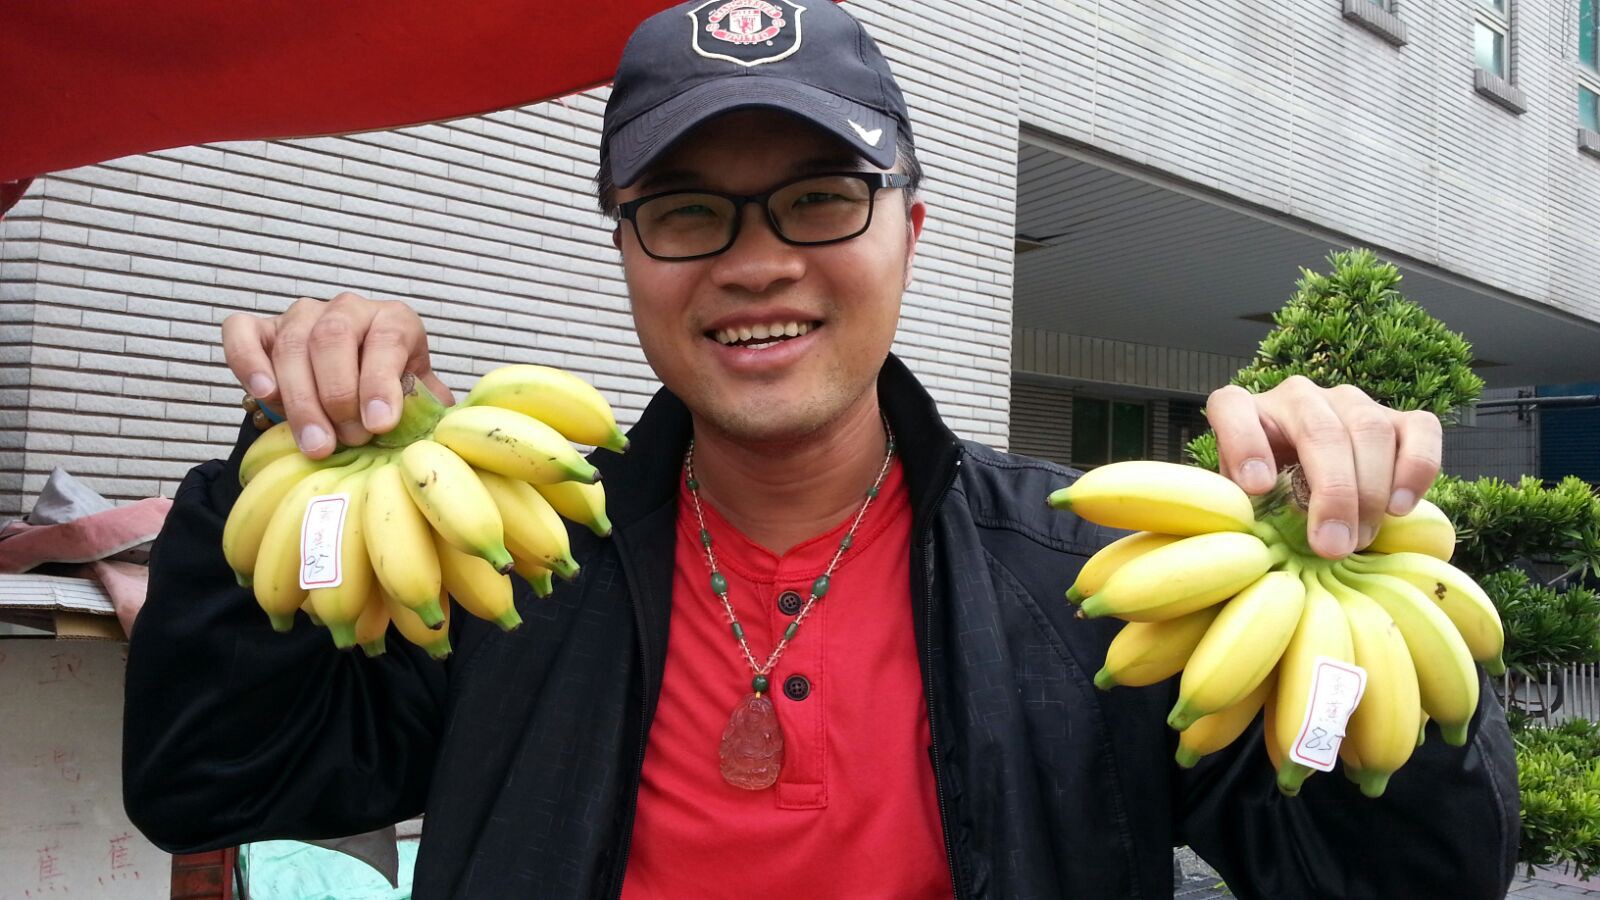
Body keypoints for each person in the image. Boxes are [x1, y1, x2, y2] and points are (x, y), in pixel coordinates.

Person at [122, 2, 1518, 897]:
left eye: (819, 198)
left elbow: (1399, 879)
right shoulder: (512, 563)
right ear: (627, 252)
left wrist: (1362, 566)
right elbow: (216, 780)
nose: (756, 262)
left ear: (911, 230)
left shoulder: (1104, 577)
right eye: (686, 211)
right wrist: (294, 460)